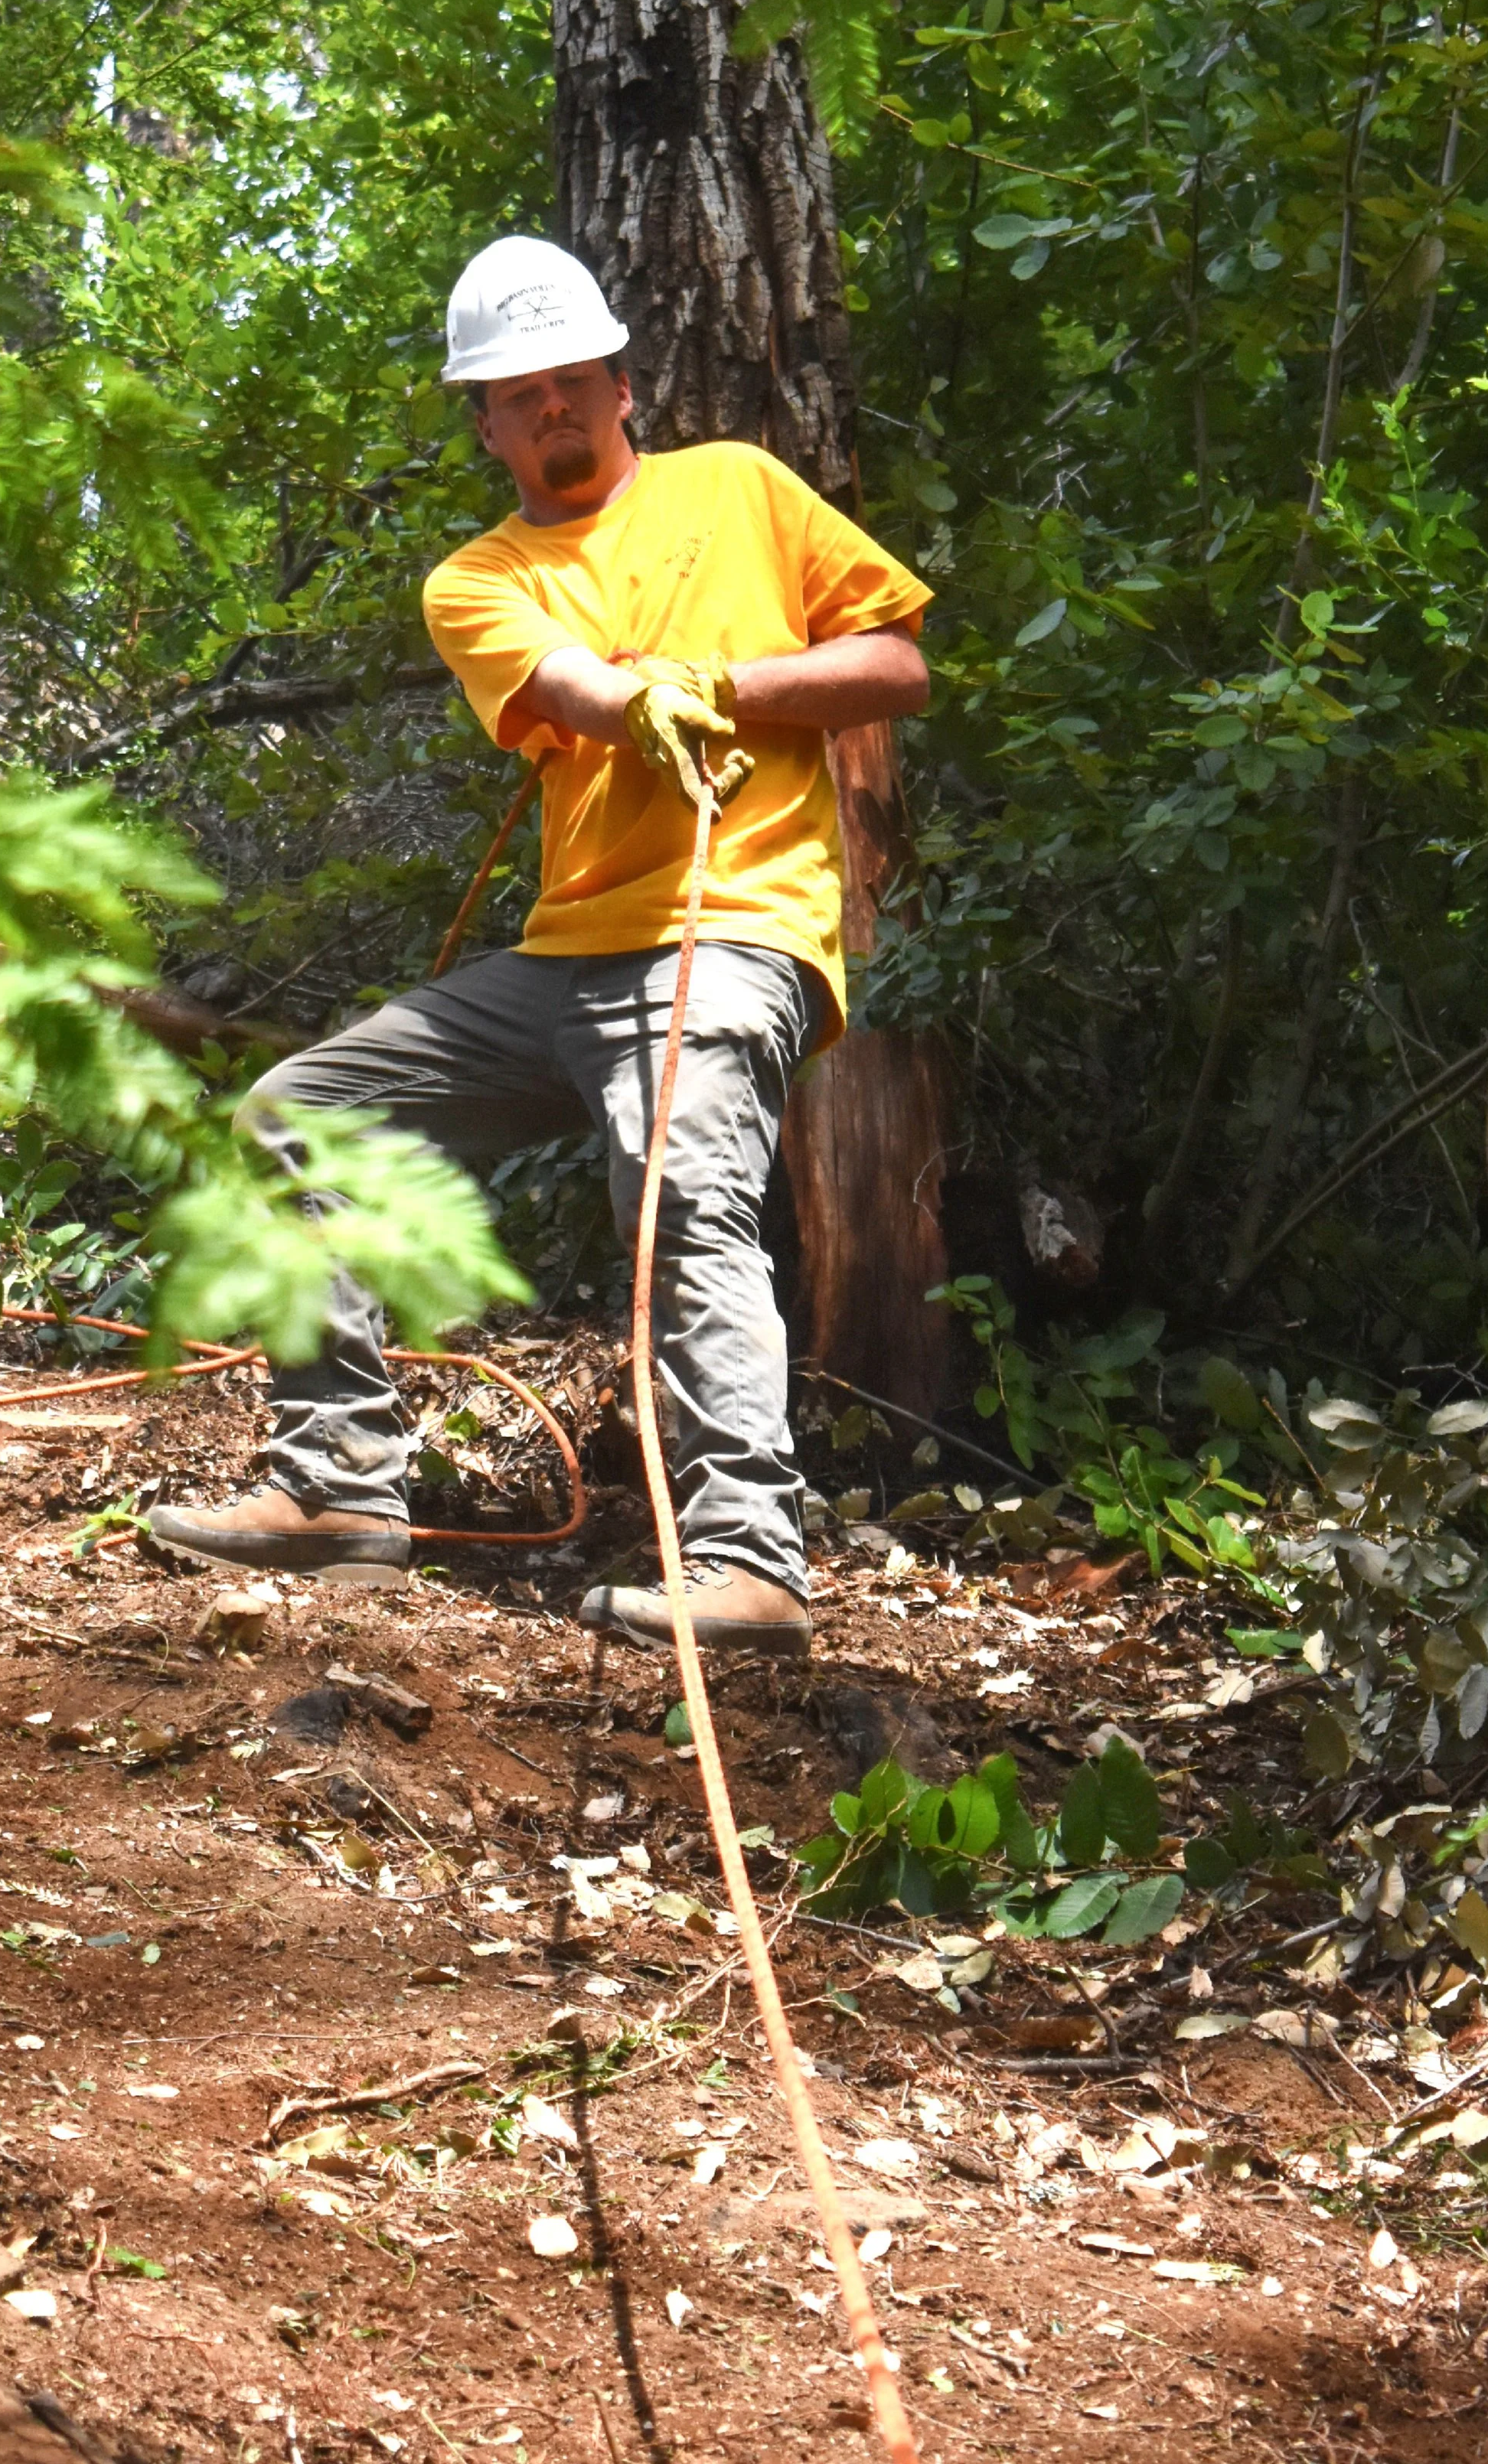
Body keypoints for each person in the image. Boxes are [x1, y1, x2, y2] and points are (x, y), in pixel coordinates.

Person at [151, 234, 931, 1658]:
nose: (555, 406)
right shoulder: (476, 577)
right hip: (570, 954)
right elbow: (562, 682)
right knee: (295, 1113)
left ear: (626, 386)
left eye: (576, 379)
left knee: (679, 1196)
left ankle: (751, 1563)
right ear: (487, 421)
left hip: (735, 926)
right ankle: (337, 1483)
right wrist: (637, 703)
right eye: (522, 392)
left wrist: (725, 684)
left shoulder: (742, 492)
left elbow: (896, 662)